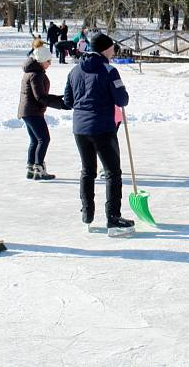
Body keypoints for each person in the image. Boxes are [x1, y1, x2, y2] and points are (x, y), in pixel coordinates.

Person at [63, 32, 133, 230]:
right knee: (112, 173)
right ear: (104, 49)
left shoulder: (75, 70)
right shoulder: (109, 70)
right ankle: (113, 217)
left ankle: (87, 212)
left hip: (80, 128)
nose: (113, 50)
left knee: (87, 171)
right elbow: (122, 100)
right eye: (111, 47)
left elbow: (68, 101)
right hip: (102, 128)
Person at [18, 43, 67, 180]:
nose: (50, 63)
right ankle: (38, 168)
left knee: (35, 140)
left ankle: (31, 168)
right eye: (48, 61)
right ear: (41, 61)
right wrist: (61, 103)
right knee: (44, 139)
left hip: (28, 111)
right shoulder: (36, 74)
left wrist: (58, 100)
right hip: (32, 112)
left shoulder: (32, 71)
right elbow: (40, 97)